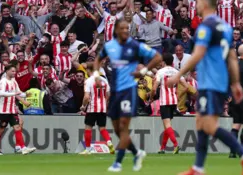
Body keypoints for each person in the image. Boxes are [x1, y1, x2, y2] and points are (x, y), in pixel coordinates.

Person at [168, 0, 243, 175]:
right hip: (220, 82)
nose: (196, 5)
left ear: (205, 4)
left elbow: (198, 54)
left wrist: (178, 75)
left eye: (198, 2)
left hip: (211, 82)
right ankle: (198, 167)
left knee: (208, 125)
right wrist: (235, 83)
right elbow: (232, 57)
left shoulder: (205, 26)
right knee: (201, 122)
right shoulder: (225, 27)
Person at [93, 20, 162, 172]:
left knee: (124, 126)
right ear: (116, 30)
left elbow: (157, 57)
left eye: (127, 28)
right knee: (117, 129)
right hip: (115, 91)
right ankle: (137, 153)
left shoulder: (135, 46)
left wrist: (143, 71)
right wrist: (97, 75)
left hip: (129, 90)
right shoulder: (109, 46)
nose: (125, 30)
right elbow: (98, 59)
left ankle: (118, 162)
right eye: (122, 28)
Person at [0, 64, 36, 155]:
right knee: (0, 130)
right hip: (3, 110)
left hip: (11, 109)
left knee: (17, 127)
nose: (14, 73)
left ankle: (23, 148)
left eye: (15, 71)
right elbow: (1, 93)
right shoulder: (3, 81)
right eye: (12, 71)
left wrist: (25, 95)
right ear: (7, 71)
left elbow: (18, 92)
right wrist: (13, 93)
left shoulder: (14, 81)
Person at [152, 52, 186, 154]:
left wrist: (151, 96)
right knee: (167, 125)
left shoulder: (160, 72)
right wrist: (178, 96)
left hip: (164, 102)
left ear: (163, 62)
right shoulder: (176, 72)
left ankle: (176, 145)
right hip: (173, 101)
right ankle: (162, 148)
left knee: (167, 124)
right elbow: (185, 86)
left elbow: (154, 88)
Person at [79, 65, 114, 155]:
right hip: (102, 108)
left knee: (88, 128)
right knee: (102, 128)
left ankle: (88, 149)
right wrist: (104, 102)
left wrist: (83, 106)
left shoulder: (89, 81)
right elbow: (108, 94)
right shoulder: (104, 80)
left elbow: (86, 97)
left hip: (92, 108)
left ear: (88, 70)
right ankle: (109, 142)